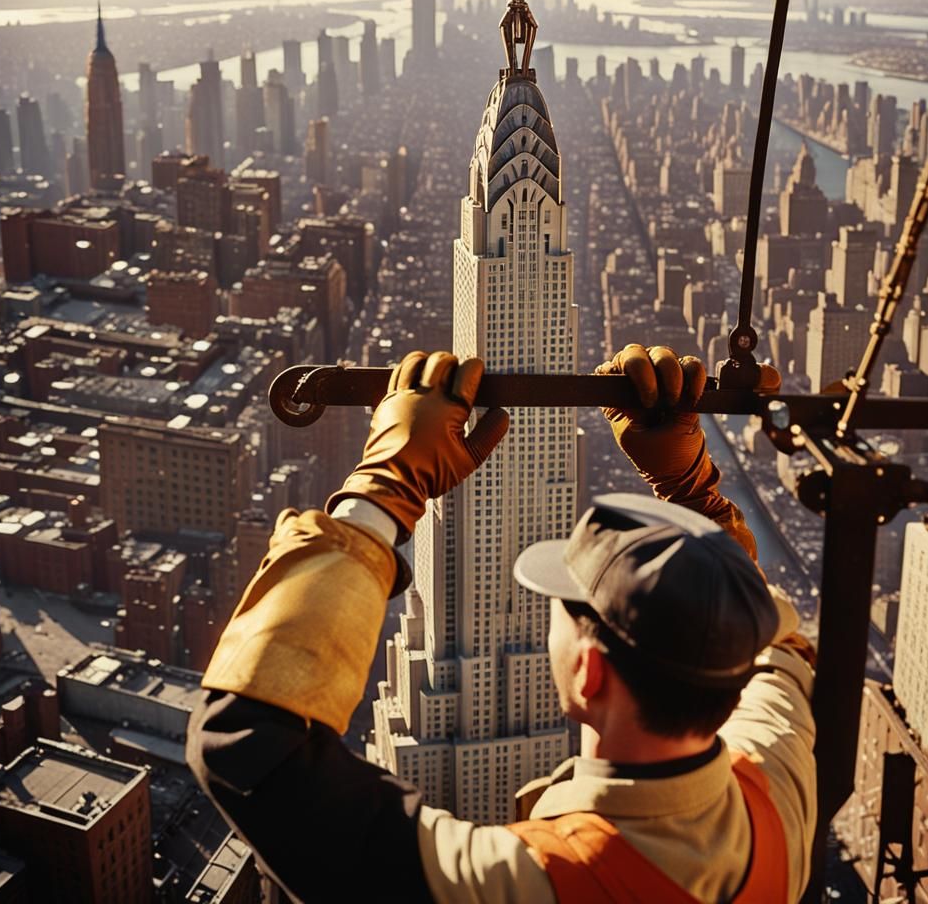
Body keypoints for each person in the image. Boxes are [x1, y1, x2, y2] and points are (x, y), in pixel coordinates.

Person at [187, 346, 816, 903]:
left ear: (590, 670)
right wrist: (692, 494)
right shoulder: (775, 805)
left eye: (563, 604)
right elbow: (780, 645)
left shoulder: (533, 882)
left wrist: (386, 485)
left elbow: (245, 740)